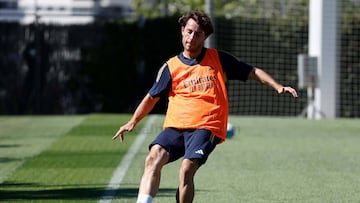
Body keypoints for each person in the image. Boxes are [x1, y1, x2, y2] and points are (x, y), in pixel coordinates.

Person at [112, 10, 298, 203]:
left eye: (198, 34)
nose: (192, 37)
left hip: (206, 126)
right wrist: (133, 121)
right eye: (189, 31)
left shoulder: (218, 59)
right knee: (152, 159)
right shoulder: (170, 67)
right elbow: (151, 97)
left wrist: (278, 86)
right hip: (176, 127)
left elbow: (252, 71)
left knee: (186, 170)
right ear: (183, 30)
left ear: (205, 37)